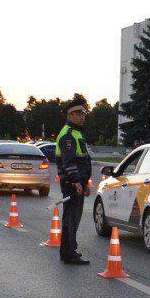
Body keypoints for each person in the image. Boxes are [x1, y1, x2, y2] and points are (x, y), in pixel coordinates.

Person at [54, 105, 93, 265]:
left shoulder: (77, 133)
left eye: (83, 113)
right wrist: (77, 182)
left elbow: (82, 160)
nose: (82, 116)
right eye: (78, 113)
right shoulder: (68, 135)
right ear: (70, 115)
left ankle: (68, 252)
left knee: (73, 218)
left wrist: (84, 183)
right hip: (71, 183)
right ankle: (69, 253)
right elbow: (69, 162)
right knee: (71, 218)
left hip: (77, 182)